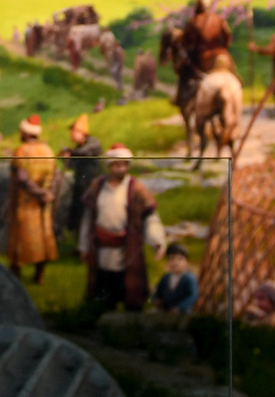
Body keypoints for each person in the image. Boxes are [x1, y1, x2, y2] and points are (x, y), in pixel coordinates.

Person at [77, 145, 164, 311]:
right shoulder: (97, 187)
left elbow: (150, 217)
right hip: (102, 250)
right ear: (110, 165)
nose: (121, 168)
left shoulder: (136, 188)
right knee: (103, 293)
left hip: (127, 248)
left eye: (125, 164)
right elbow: (88, 219)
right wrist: (83, 246)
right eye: (117, 164)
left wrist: (157, 241)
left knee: (130, 291)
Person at [5, 116, 58, 284]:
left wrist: (39, 193)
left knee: (20, 238)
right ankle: (39, 275)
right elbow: (55, 175)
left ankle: (15, 274)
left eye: (21, 131)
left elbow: (22, 179)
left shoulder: (21, 152)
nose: (19, 133)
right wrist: (48, 193)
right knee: (43, 236)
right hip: (43, 204)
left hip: (24, 203)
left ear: (26, 133)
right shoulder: (48, 150)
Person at [60, 113, 104, 245]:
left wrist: (70, 152)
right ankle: (81, 245)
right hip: (81, 185)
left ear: (81, 132)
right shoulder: (78, 148)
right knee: (79, 214)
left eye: (74, 131)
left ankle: (93, 245)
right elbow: (73, 165)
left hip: (93, 185)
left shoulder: (93, 143)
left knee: (92, 214)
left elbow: (85, 152)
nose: (72, 135)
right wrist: (65, 158)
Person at [151, 244, 197, 314]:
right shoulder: (166, 278)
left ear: (187, 262)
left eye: (180, 259)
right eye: (172, 259)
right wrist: (158, 300)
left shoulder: (189, 278)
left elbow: (192, 296)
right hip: (166, 311)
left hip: (183, 312)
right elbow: (158, 291)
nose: (175, 263)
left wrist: (180, 307)